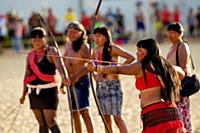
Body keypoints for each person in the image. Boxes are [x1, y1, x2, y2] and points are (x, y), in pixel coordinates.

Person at [87, 38, 184, 133]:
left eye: (140, 50)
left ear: (149, 52)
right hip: (170, 112)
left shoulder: (140, 65)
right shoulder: (164, 65)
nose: (137, 53)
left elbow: (118, 69)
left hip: (154, 114)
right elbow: (181, 73)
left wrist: (98, 68)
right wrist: (168, 68)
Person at [19, 27, 70, 133]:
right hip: (33, 92)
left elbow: (60, 66)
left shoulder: (51, 51)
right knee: (41, 123)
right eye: (34, 39)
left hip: (49, 91)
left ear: (45, 39)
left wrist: (64, 78)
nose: (36, 41)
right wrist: (23, 94)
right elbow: (26, 76)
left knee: (50, 121)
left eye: (39, 38)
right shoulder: (30, 55)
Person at [91, 26, 135, 133]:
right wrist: (94, 75)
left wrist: (118, 70)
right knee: (106, 119)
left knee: (117, 118)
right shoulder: (94, 51)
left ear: (105, 38)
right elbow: (90, 66)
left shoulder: (112, 49)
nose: (96, 39)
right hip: (100, 87)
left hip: (113, 86)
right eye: (95, 36)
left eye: (99, 36)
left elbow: (131, 57)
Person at [63, 21, 94, 133]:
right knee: (74, 112)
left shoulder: (84, 46)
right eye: (70, 32)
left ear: (81, 33)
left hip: (81, 82)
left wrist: (76, 76)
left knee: (84, 112)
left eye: (75, 32)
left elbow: (90, 66)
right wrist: (64, 80)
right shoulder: (68, 45)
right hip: (70, 83)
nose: (71, 34)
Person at [166, 22, 192, 133]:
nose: (170, 35)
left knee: (183, 112)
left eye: (173, 33)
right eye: (169, 32)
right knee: (177, 112)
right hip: (174, 84)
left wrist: (178, 86)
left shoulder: (182, 46)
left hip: (181, 85)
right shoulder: (173, 46)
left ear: (179, 34)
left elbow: (183, 69)